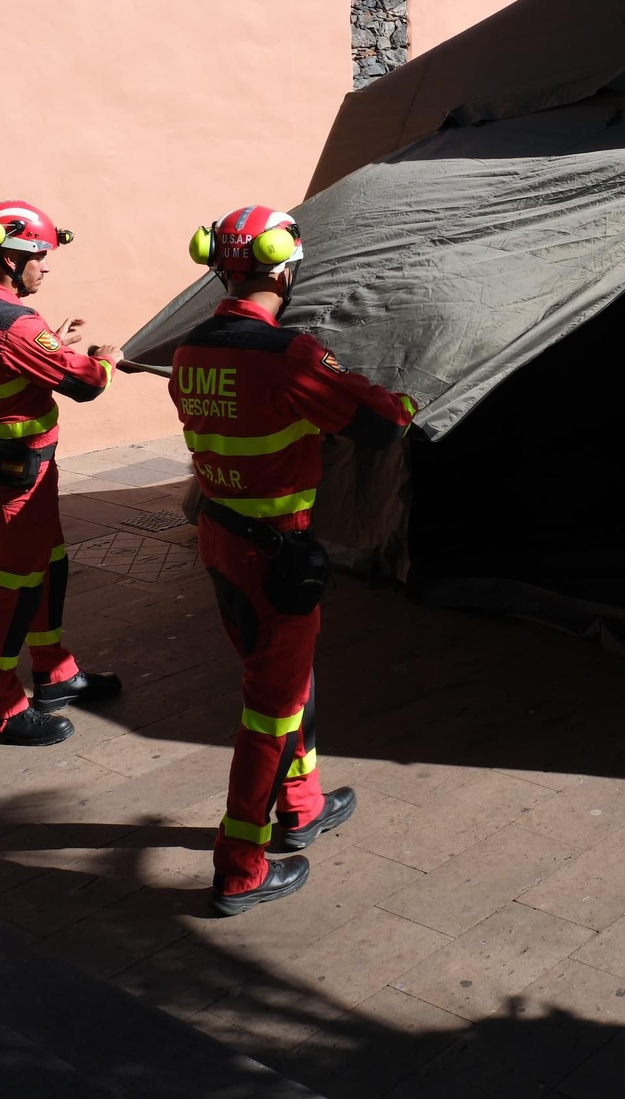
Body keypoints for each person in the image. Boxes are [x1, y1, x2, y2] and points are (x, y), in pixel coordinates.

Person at [170, 206, 416, 916]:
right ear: (284, 269)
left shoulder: (189, 349)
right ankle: (240, 868)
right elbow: (383, 424)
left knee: (283, 678)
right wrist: (396, 397)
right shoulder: (289, 355)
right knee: (271, 711)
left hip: (222, 537)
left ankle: (302, 805)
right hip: (274, 555)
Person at [0, 202, 126, 746]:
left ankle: (55, 672)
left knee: (50, 565)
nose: (45, 266)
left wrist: (52, 346)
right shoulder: (15, 323)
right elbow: (85, 384)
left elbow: (6, 362)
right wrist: (107, 359)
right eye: (38, 256)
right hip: (19, 471)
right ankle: (0, 710)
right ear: (10, 258)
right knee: (15, 587)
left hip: (12, 462)